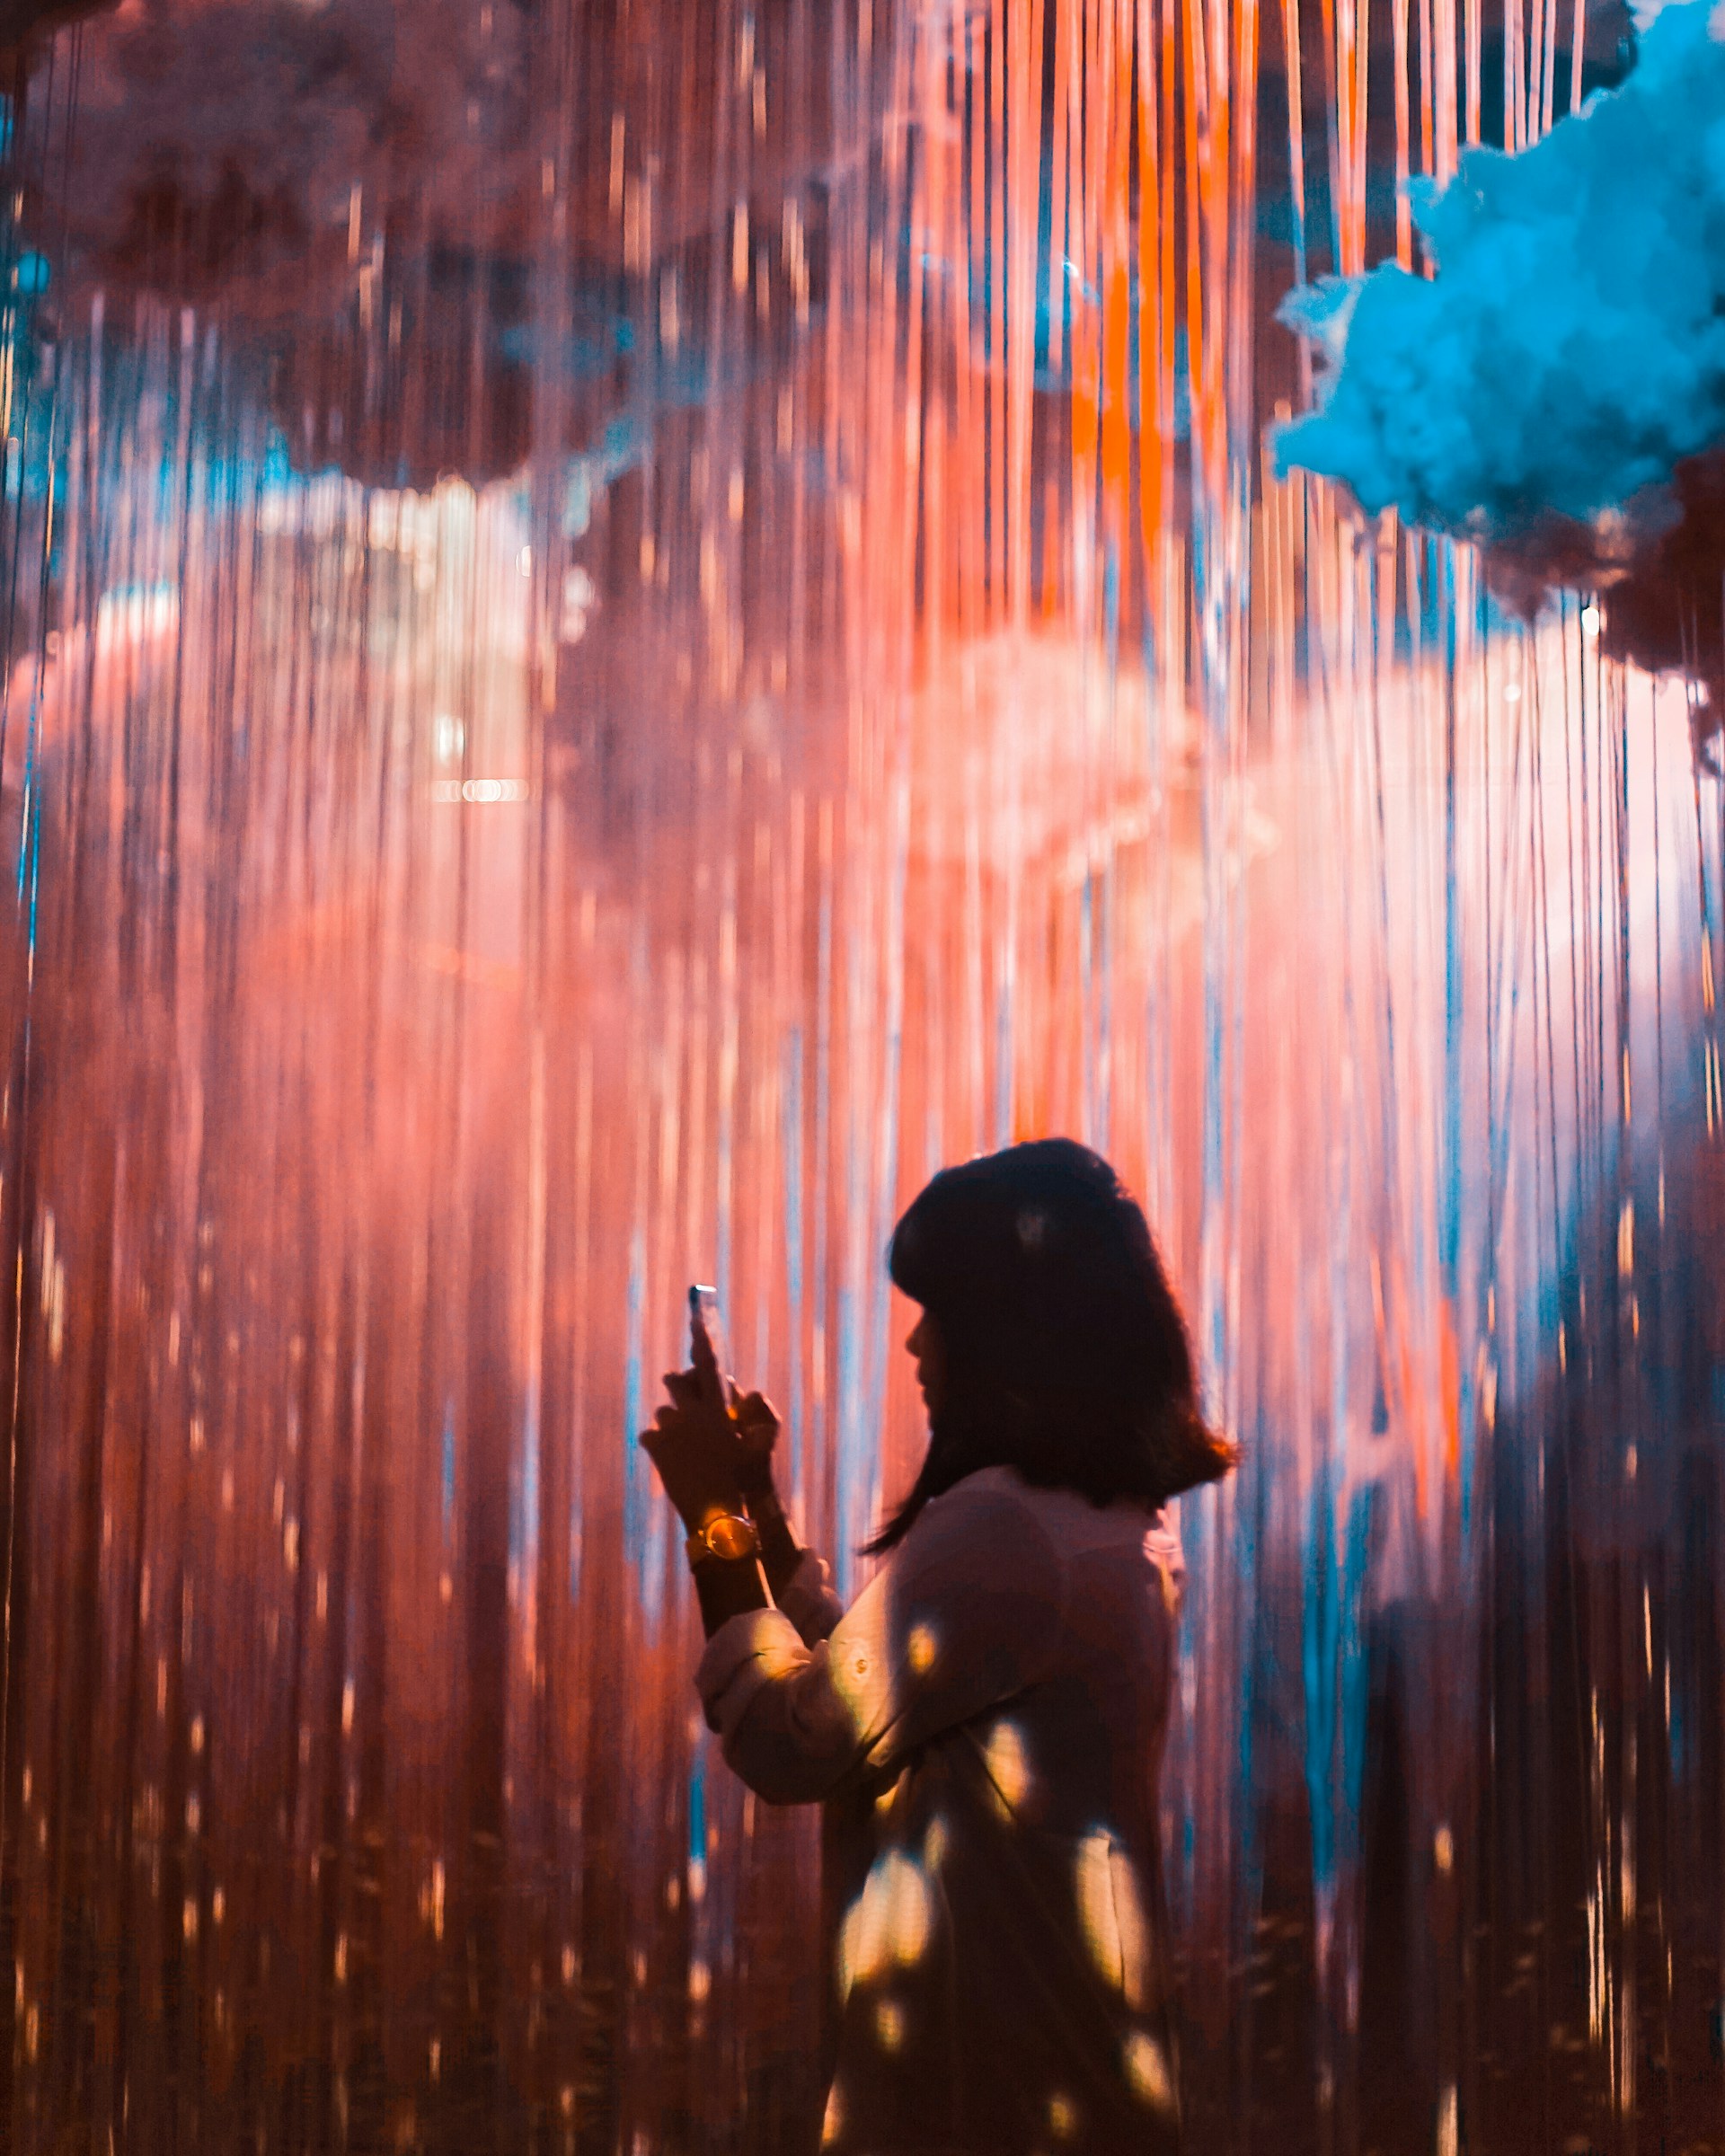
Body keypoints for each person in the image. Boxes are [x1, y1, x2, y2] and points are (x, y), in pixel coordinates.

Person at [642, 1138, 1235, 2154]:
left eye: (940, 1313)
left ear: (1013, 1331)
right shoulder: (1093, 1517)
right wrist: (762, 1517)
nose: (917, 1348)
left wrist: (712, 1524)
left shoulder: (1007, 1528)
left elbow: (799, 1741)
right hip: (1069, 2079)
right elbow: (885, 1700)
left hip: (990, 2103)